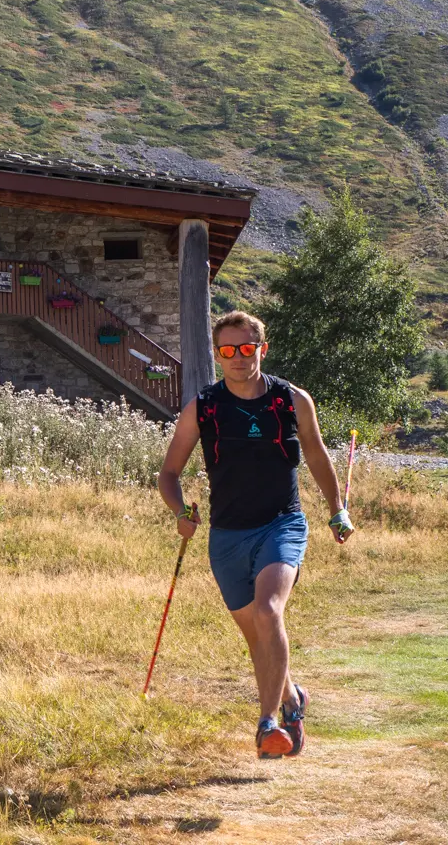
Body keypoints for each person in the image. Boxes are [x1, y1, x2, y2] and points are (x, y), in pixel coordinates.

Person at [158, 310, 354, 759]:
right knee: (257, 637)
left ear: (262, 349)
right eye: (228, 351)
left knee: (269, 612)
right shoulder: (204, 407)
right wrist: (180, 510)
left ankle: (267, 723)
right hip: (226, 536)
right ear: (217, 355)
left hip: (281, 523)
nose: (239, 358)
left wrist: (336, 509)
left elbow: (318, 455)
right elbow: (169, 473)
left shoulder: (292, 400)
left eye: (248, 349)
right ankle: (292, 698)